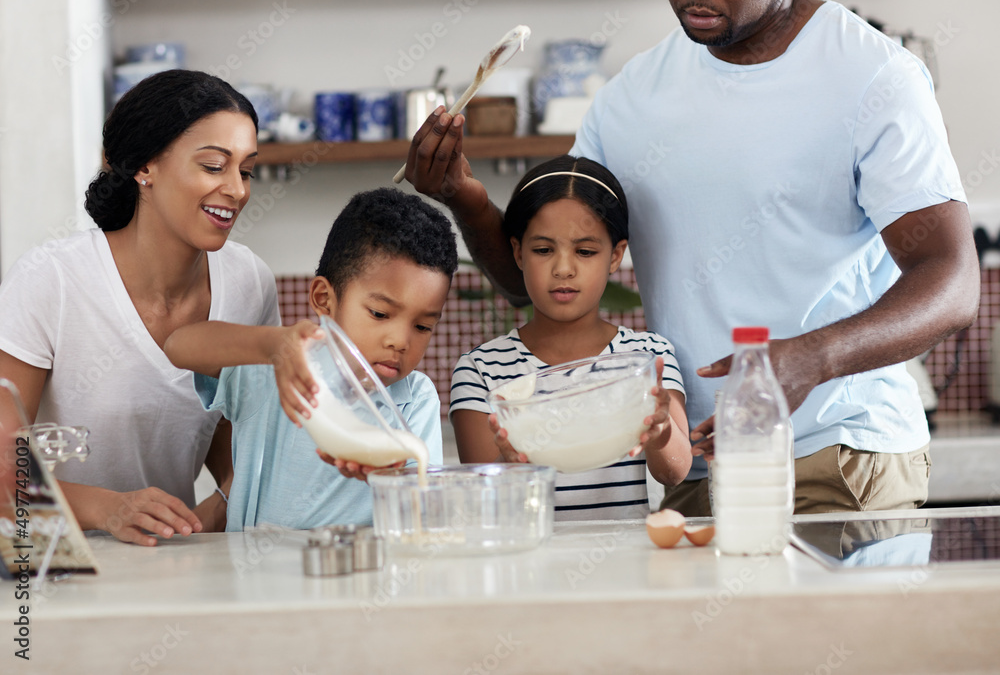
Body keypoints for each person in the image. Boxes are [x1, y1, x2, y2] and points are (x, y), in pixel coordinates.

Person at [400, 0, 980, 517]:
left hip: (834, 452)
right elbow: (531, 280)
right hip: (697, 466)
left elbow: (952, 280)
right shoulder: (630, 100)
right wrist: (462, 195)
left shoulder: (872, 76)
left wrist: (812, 357)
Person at [0, 69, 279, 546]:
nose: (238, 190)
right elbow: (4, 472)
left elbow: (241, 446)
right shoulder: (52, 280)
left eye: (246, 169)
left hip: (164, 563)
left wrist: (223, 505)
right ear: (145, 168)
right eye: (214, 166)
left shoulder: (249, 283)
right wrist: (107, 508)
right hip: (51, 561)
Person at [164, 188, 454, 530]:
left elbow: (423, 507)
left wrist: (388, 479)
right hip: (256, 577)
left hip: (361, 575)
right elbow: (178, 346)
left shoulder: (414, 397)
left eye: (422, 326)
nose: (400, 341)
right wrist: (271, 345)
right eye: (379, 313)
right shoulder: (277, 368)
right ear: (324, 299)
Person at [450, 155, 691, 520]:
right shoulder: (481, 370)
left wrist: (661, 432)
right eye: (544, 250)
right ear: (518, 252)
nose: (564, 268)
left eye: (585, 251)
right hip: (525, 569)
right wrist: (508, 463)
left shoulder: (645, 356)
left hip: (627, 570)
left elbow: (675, 471)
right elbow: (482, 503)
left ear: (615, 256)